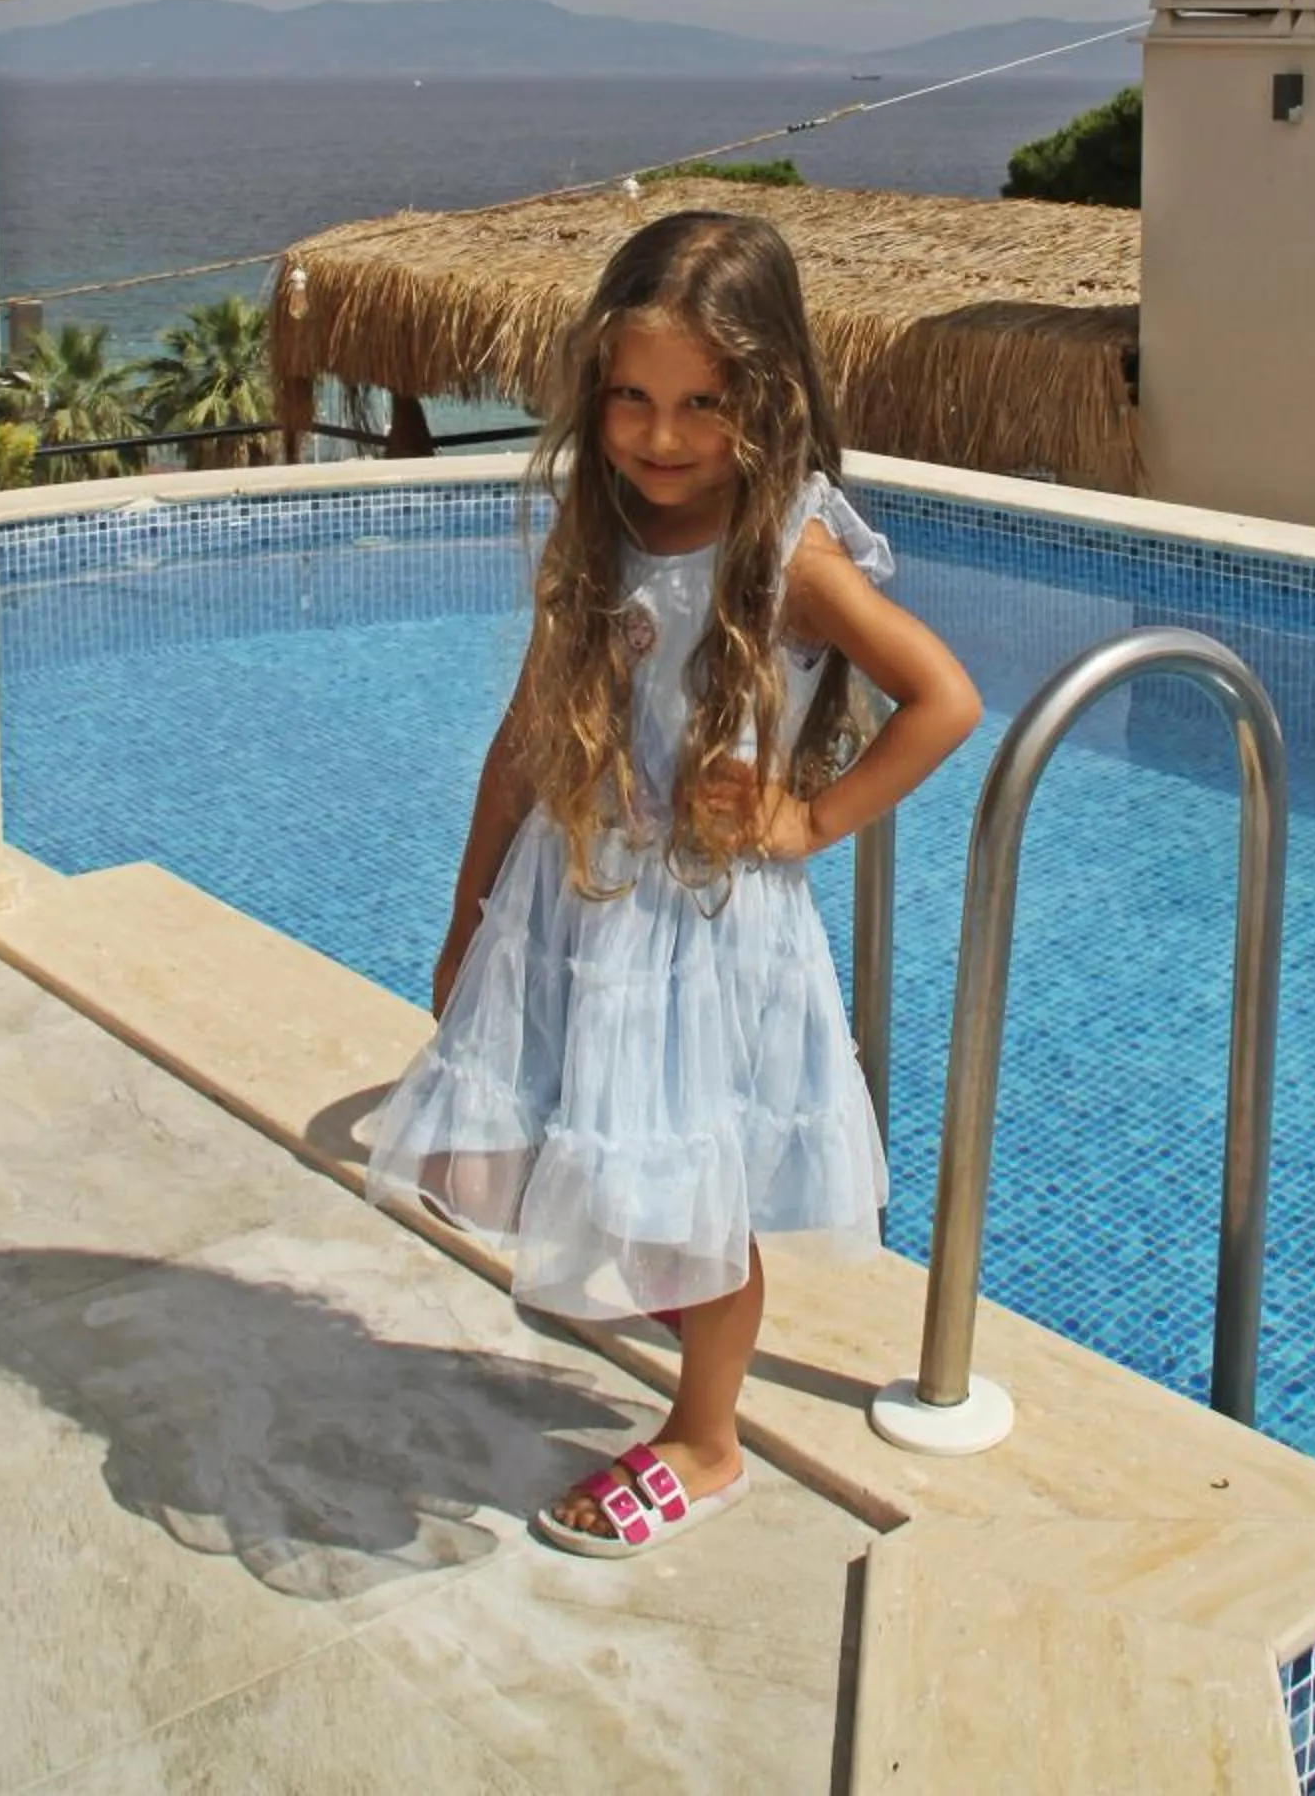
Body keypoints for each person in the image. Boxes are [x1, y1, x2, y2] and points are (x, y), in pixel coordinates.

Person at [364, 208, 982, 1558]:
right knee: (599, 1168)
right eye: (633, 398)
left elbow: (944, 698)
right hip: (572, 905)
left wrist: (809, 817)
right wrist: (466, 921)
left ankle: (706, 1441)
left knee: (697, 1198)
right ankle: (683, 1365)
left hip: (702, 933)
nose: (660, 436)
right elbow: (526, 740)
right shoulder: (598, 536)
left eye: (702, 403)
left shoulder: (785, 558)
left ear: (767, 400)